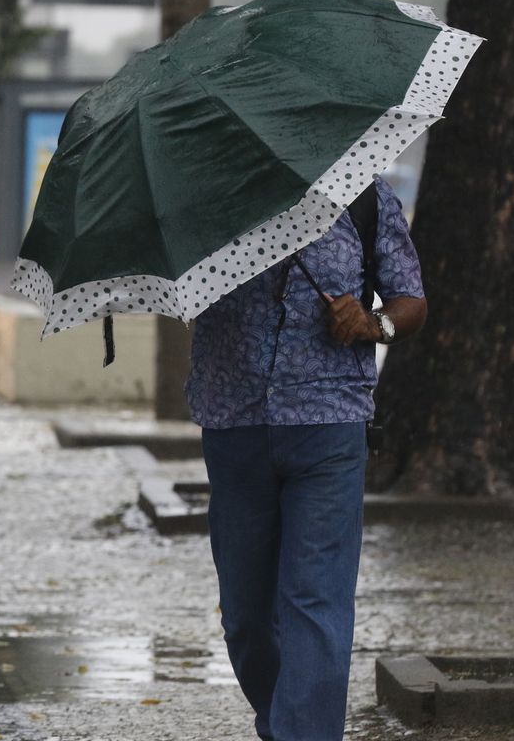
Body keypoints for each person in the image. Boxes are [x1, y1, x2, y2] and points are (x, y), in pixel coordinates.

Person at [185, 176, 427, 741]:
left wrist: (373, 323)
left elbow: (410, 300)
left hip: (329, 424)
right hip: (233, 423)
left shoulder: (364, 196)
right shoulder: (210, 197)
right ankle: (285, 724)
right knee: (246, 620)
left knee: (314, 599)